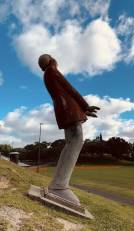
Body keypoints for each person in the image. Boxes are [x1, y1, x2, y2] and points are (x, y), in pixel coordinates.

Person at [38, 54, 100, 205]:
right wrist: (85, 106)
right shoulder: (52, 71)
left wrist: (83, 110)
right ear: (52, 60)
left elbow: (64, 91)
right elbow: (70, 89)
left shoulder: (47, 75)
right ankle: (59, 186)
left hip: (63, 109)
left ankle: (58, 183)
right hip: (69, 109)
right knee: (76, 141)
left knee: (72, 142)